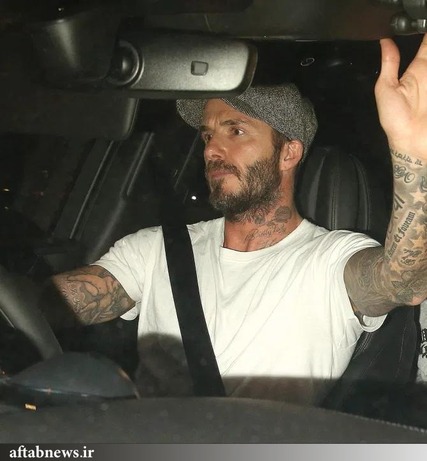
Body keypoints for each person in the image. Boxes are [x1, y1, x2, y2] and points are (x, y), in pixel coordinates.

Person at [46, 35, 427, 405]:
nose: (212, 149)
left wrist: (413, 152)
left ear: (288, 153)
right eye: (207, 135)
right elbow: (47, 308)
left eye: (236, 131)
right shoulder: (155, 248)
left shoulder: (329, 259)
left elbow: (403, 283)